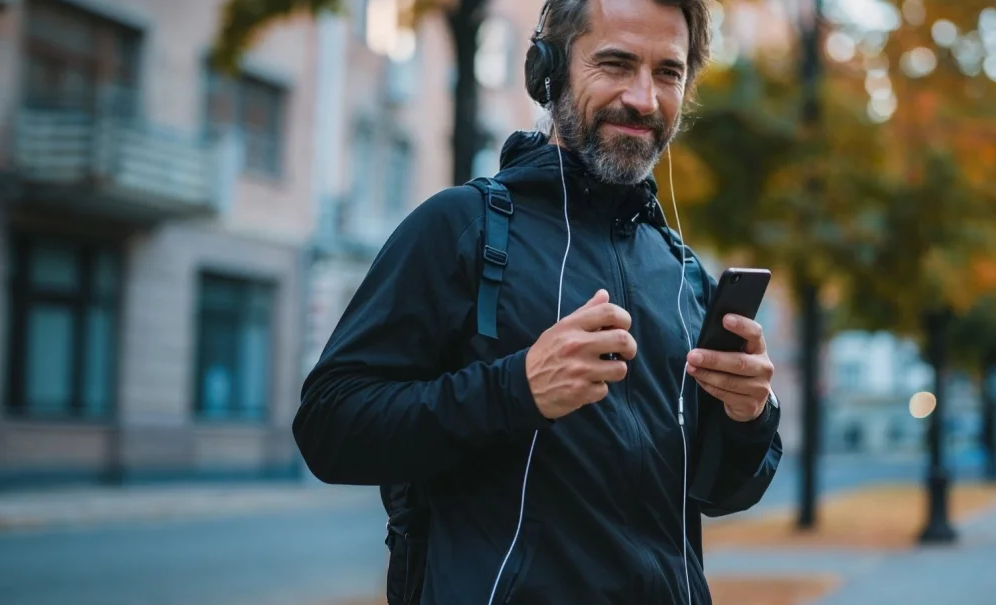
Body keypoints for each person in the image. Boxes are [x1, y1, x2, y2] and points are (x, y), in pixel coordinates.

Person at [294, 0, 785, 602]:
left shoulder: (682, 273)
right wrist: (514, 390)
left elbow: (719, 493)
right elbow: (329, 425)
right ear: (547, 70)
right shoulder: (462, 228)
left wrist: (748, 416)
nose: (643, 99)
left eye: (667, 73)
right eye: (615, 63)